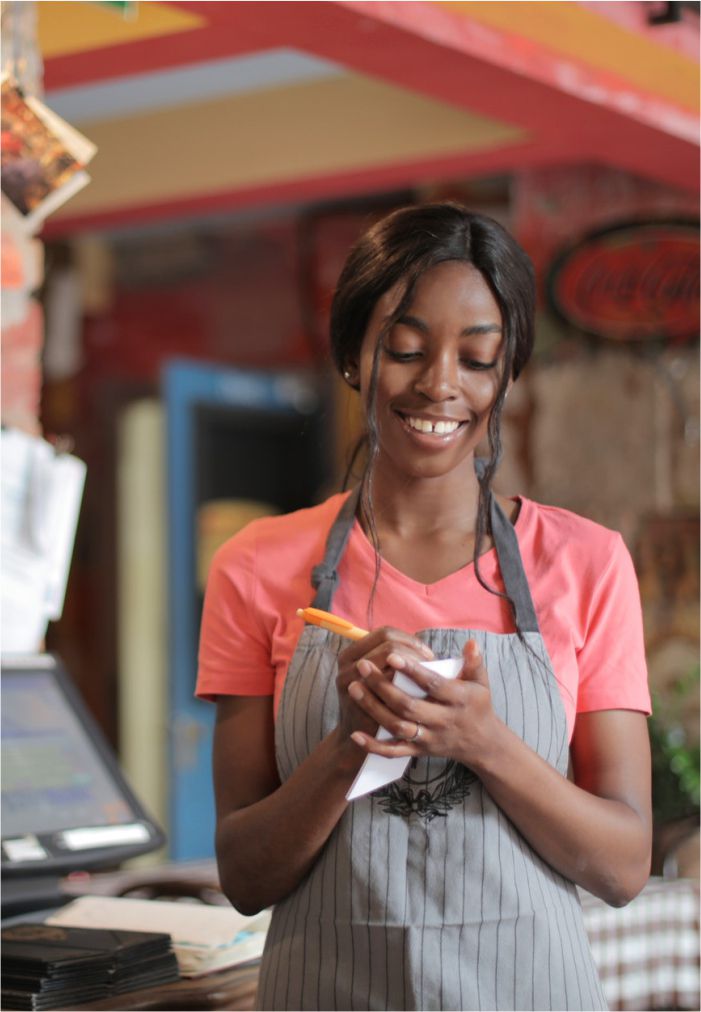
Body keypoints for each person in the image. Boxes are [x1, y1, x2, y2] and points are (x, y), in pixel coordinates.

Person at [196, 203, 652, 1011]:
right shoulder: (258, 567)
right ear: (352, 355)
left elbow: (621, 867)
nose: (440, 383)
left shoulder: (586, 562)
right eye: (406, 350)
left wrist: (483, 742)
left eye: (477, 359)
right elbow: (244, 875)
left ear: (507, 372)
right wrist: (347, 747)